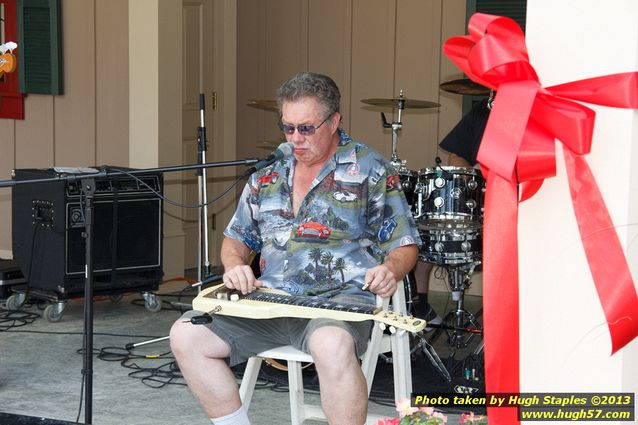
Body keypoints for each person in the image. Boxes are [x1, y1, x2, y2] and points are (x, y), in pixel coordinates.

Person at [170, 72, 421, 425]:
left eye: (306, 128)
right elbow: (237, 238)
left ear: (334, 121)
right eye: (287, 128)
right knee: (186, 334)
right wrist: (234, 264)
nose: (295, 139)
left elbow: (404, 244)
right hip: (269, 302)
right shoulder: (268, 172)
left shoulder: (370, 169)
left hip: (336, 305)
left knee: (331, 346)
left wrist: (390, 270)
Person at [412, 96, 491, 324]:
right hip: (481, 200)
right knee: (425, 231)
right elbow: (455, 157)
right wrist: (479, 181)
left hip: (520, 206)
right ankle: (421, 308)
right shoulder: (483, 109)